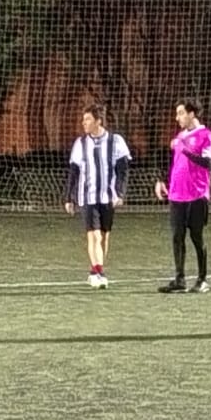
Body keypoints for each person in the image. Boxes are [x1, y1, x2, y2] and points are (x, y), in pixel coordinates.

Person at [65, 103, 130, 287]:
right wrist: (68, 197)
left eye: (88, 119)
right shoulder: (80, 143)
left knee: (104, 236)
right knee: (94, 236)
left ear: (98, 121)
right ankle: (99, 273)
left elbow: (123, 170)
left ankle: (95, 270)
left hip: (107, 197)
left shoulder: (116, 141)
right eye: (83, 119)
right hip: (87, 197)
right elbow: (74, 172)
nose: (83, 123)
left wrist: (120, 192)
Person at [156, 98, 211, 292]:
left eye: (181, 113)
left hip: (197, 195)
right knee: (177, 236)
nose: (177, 118)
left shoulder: (206, 136)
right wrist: (163, 180)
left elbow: (207, 163)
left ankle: (202, 279)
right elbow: (175, 163)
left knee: (197, 237)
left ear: (192, 114)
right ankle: (179, 279)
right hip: (177, 195)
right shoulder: (180, 135)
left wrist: (185, 149)